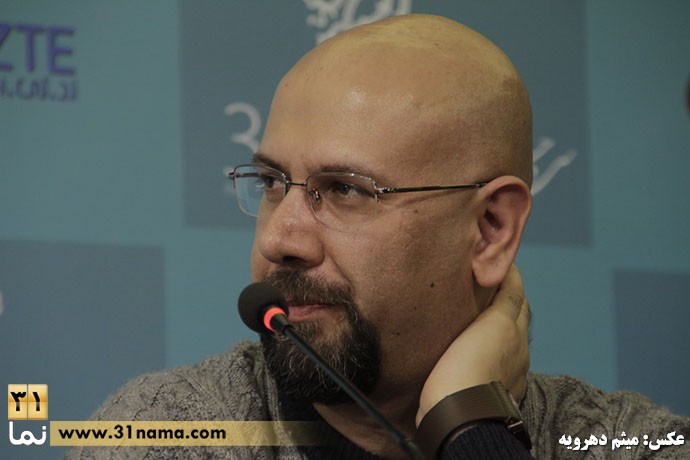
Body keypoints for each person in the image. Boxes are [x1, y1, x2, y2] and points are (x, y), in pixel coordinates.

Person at [67, 14, 688, 460]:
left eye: (345, 189)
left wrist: (471, 429)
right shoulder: (164, 434)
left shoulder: (632, 444)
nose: (280, 238)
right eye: (274, 183)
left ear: (491, 230)